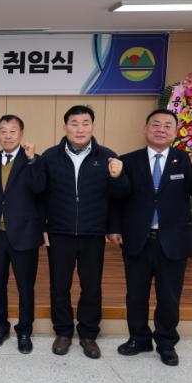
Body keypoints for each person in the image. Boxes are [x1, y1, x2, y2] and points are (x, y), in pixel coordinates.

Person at [109, 109, 192, 366]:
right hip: (138, 238)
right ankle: (138, 338)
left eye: (167, 125)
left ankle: (166, 342)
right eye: (156, 124)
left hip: (174, 240)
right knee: (136, 294)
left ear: (175, 131)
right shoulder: (128, 160)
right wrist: (114, 228)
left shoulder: (186, 160)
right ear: (146, 128)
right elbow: (117, 199)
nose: (161, 129)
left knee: (169, 296)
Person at [40, 105, 128, 359]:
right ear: (65, 127)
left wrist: (118, 177)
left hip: (92, 232)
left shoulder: (108, 156)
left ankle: (88, 334)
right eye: (74, 123)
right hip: (59, 231)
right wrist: (42, 226)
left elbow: (119, 196)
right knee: (60, 285)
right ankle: (63, 331)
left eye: (85, 123)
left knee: (91, 285)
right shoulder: (50, 156)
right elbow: (41, 195)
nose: (80, 129)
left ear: (92, 126)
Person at [0, 114, 44, 354]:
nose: (8, 136)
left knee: (25, 286)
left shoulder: (34, 160)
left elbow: (40, 189)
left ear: (21, 134)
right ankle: (0, 326)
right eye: (3, 131)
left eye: (13, 131)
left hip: (25, 235)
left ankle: (24, 330)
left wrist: (32, 160)